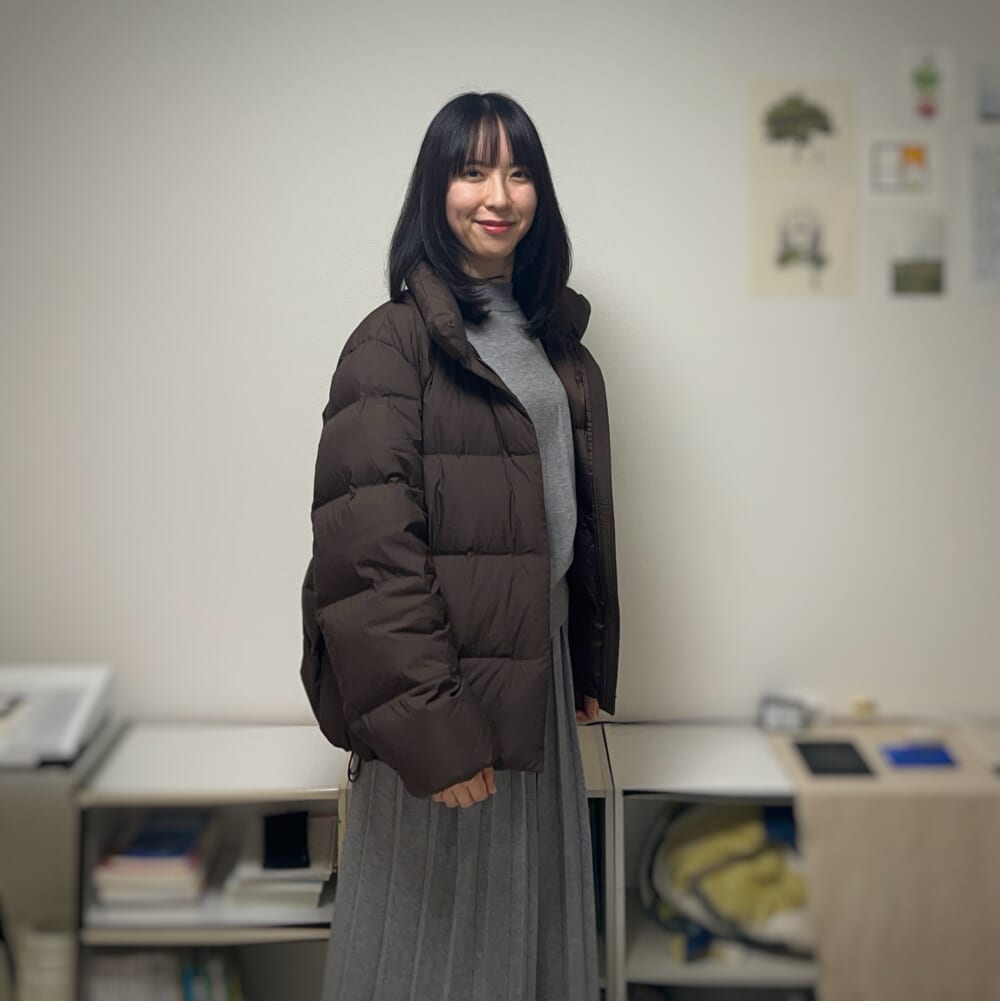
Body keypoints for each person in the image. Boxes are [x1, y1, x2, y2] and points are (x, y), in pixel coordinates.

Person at [300, 91, 620, 1001]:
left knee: (533, 940)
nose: (498, 195)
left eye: (519, 172)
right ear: (434, 190)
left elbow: (570, 517)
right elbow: (367, 562)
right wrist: (434, 734)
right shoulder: (393, 342)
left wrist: (584, 654)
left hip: (537, 676)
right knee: (429, 960)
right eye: (473, 170)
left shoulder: (557, 343)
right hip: (441, 690)